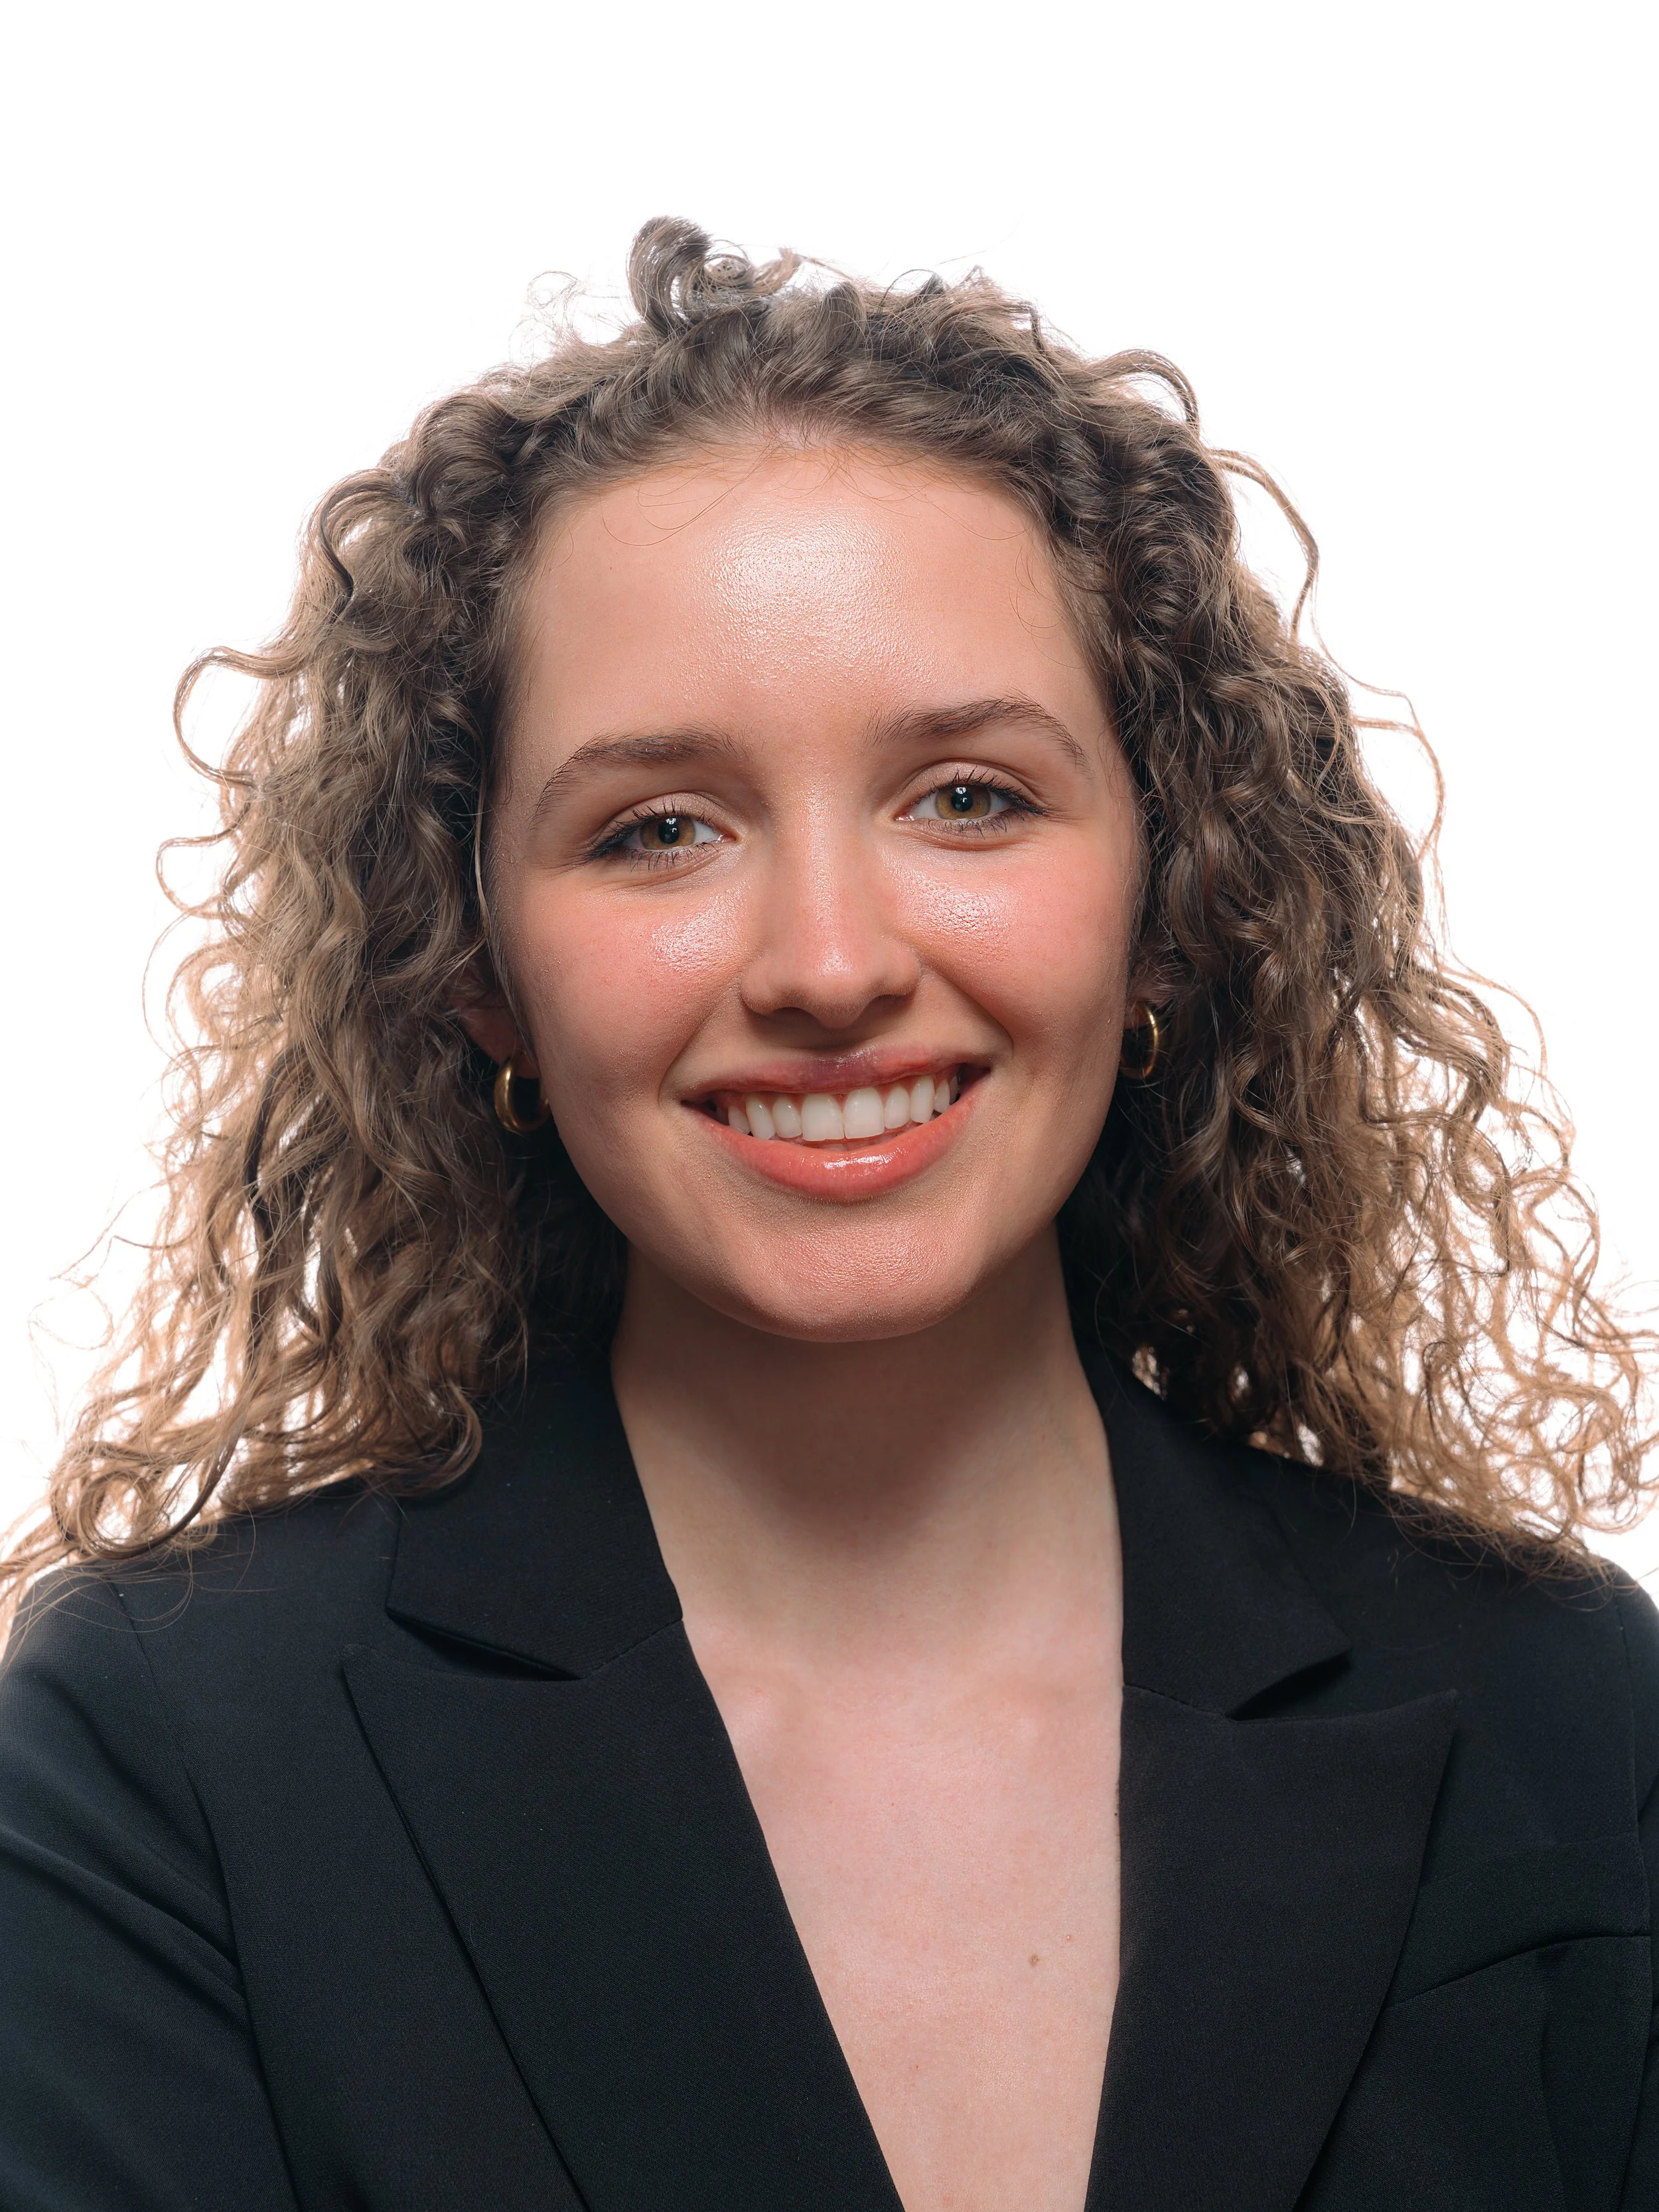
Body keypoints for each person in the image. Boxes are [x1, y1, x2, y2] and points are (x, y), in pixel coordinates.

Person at [1, 218, 1654, 2212]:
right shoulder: (168, 1757)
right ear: (478, 967)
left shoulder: (1559, 1708)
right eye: (657, 830)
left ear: (1167, 904)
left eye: (966, 796)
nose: (826, 959)